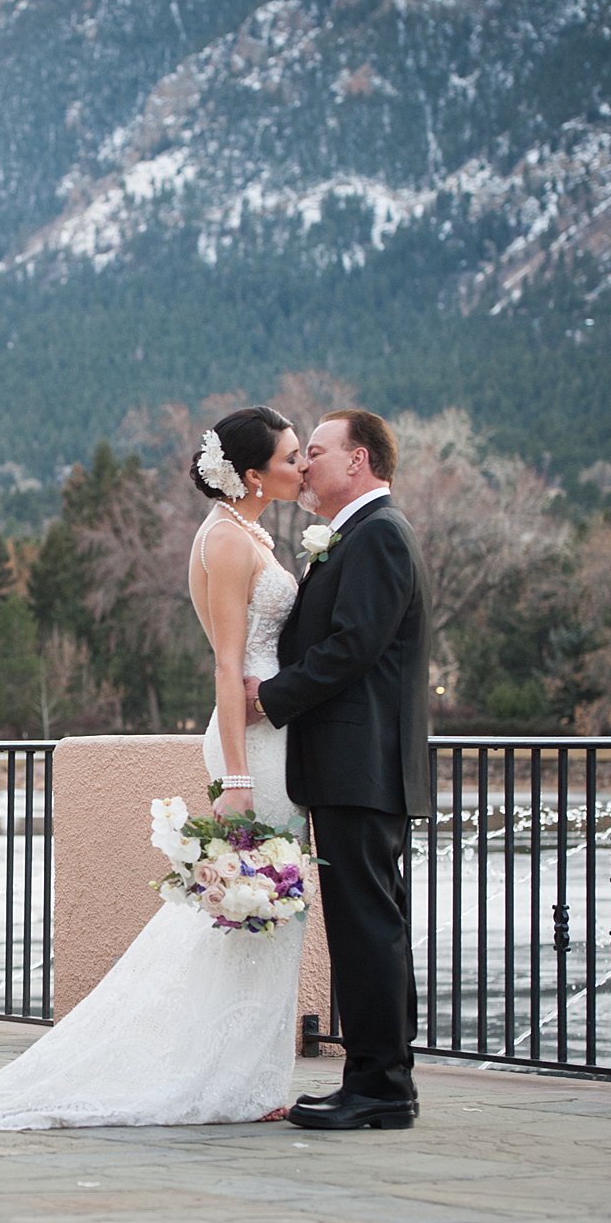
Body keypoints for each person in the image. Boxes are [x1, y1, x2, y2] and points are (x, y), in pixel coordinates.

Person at [0, 406, 308, 1128]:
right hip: (253, 743)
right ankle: (217, 1076)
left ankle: (248, 1076)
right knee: (248, 901)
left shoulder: (252, 531)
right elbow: (225, 662)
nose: (299, 467)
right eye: (288, 457)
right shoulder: (224, 540)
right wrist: (239, 776)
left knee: (265, 904)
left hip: (276, 732)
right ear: (252, 475)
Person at [249, 408, 432, 1132]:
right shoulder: (351, 536)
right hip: (348, 765)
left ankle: (382, 1087)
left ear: (358, 461)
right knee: (367, 927)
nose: (305, 465)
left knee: (369, 927)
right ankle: (377, 1080)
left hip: (365, 763)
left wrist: (270, 697)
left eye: (315, 452)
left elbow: (354, 645)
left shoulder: (380, 534)